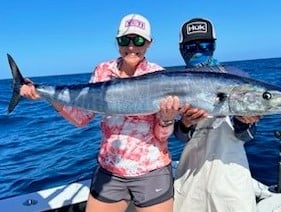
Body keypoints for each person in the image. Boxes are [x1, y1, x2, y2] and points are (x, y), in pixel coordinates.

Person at [20, 13, 178, 212]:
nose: (131, 47)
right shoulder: (103, 70)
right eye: (124, 40)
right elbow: (82, 119)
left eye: (138, 40)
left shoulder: (161, 76)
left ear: (149, 43)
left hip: (151, 171)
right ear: (117, 41)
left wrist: (166, 119)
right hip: (109, 172)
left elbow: (161, 136)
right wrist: (47, 96)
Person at [173, 18, 261, 212]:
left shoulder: (238, 78)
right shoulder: (174, 83)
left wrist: (244, 122)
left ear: (213, 46)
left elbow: (245, 136)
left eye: (204, 45)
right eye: (191, 47)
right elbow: (179, 136)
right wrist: (186, 123)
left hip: (231, 174)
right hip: (190, 174)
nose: (198, 51)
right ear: (181, 49)